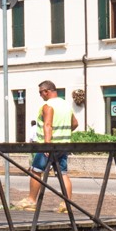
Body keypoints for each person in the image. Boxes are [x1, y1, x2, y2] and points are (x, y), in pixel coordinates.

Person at [29, 79, 75, 208]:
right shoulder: (66, 105)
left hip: (49, 145)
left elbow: (47, 125)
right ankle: (67, 204)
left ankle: (31, 201)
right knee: (63, 173)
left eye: (40, 93)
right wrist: (63, 132)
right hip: (63, 144)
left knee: (36, 171)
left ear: (46, 92)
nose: (40, 95)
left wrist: (47, 144)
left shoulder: (48, 106)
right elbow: (75, 123)